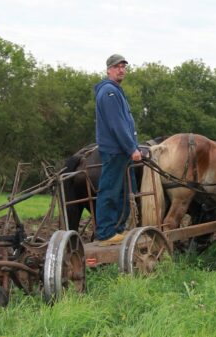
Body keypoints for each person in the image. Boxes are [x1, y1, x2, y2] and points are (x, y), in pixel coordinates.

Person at [94, 54, 141, 246]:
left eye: (123, 66)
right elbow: (117, 125)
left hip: (120, 150)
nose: (121, 69)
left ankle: (117, 229)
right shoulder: (109, 92)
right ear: (108, 70)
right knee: (110, 190)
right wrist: (132, 148)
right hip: (115, 150)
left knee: (122, 191)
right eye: (117, 66)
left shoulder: (115, 90)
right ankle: (105, 233)